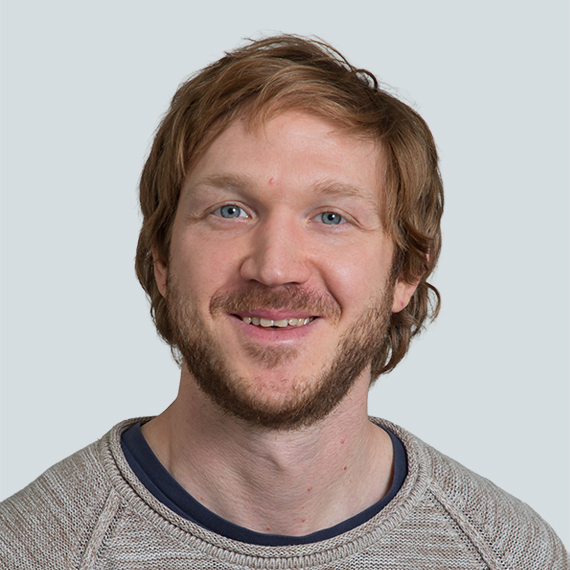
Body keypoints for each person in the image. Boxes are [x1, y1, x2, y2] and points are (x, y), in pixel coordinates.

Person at [0, 34, 567, 570]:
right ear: (162, 260)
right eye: (230, 211)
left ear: (406, 274)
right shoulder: (31, 552)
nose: (274, 268)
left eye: (331, 217)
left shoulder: (507, 555)